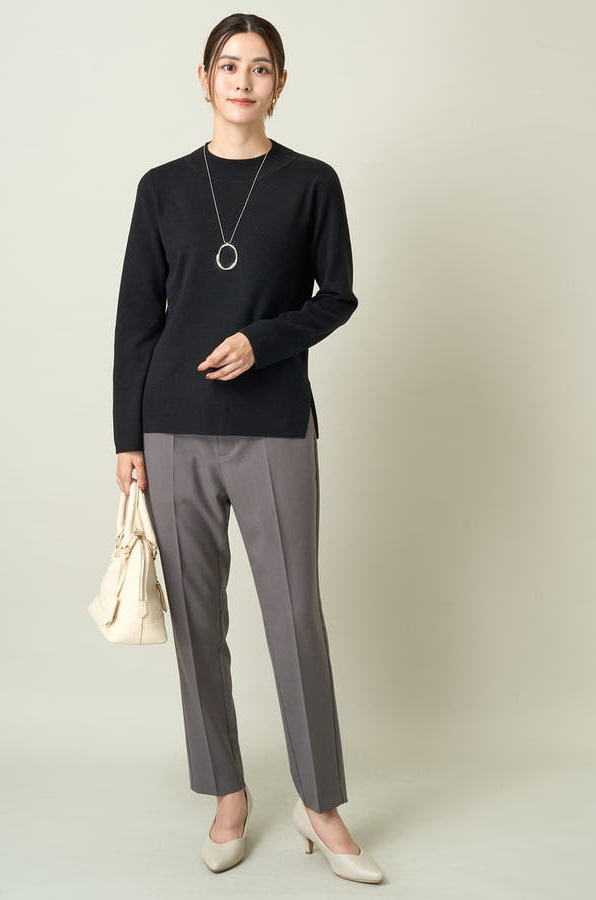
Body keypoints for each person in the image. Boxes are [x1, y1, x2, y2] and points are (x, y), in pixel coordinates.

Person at [111, 13, 384, 884]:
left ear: (280, 84)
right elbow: (136, 317)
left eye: (259, 67)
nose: (242, 80)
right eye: (228, 65)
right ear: (204, 79)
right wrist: (127, 438)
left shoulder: (310, 183)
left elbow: (337, 296)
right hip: (172, 425)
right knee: (198, 621)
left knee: (294, 614)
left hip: (273, 423)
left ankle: (320, 805)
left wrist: (262, 343)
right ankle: (227, 796)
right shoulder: (162, 188)